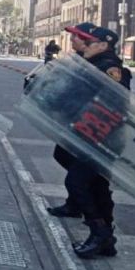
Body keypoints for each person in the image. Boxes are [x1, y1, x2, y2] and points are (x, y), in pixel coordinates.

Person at [63, 25, 128, 258]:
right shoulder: (94, 65)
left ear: (103, 45)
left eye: (88, 43)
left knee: (76, 182)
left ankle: (100, 232)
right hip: (92, 134)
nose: (84, 46)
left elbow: (112, 103)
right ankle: (106, 239)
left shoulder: (109, 68)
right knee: (97, 185)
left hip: (101, 136)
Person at [44, 22, 96, 219]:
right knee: (63, 155)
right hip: (77, 123)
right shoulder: (80, 59)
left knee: (81, 179)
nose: (72, 39)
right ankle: (74, 204)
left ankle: (101, 230)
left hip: (92, 128)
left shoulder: (99, 64)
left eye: (76, 37)